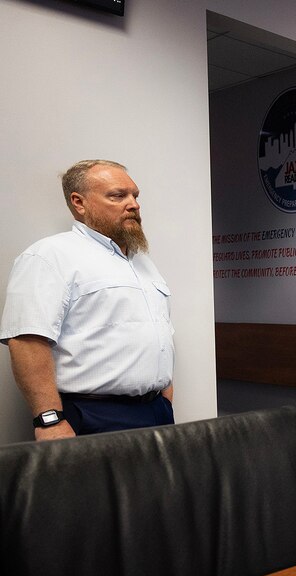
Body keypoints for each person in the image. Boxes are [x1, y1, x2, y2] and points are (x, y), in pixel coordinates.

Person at [1, 160, 175, 440]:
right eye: (118, 196)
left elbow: (158, 333)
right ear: (79, 203)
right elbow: (27, 341)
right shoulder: (49, 256)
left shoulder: (143, 264)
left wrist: (163, 397)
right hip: (92, 414)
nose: (133, 204)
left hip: (155, 412)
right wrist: (49, 420)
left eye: (135, 195)